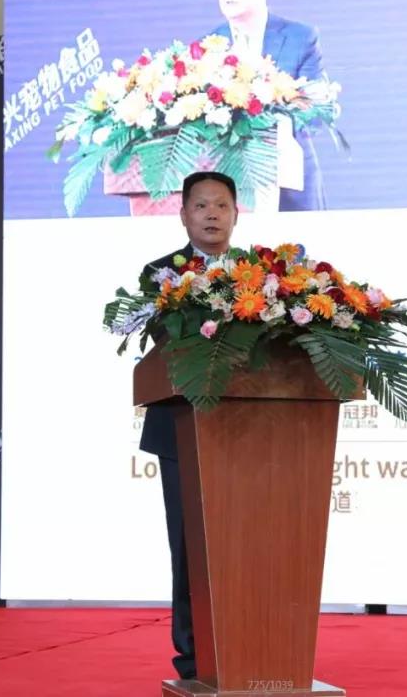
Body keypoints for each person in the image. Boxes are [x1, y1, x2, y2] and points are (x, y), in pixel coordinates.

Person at [139, 171, 239, 680]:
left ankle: (252, 649)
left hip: (250, 431)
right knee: (190, 547)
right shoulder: (160, 274)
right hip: (183, 430)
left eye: (221, 205)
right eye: (201, 205)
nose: (212, 214)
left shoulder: (267, 277)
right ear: (184, 215)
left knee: (250, 544)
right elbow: (163, 343)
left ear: (236, 214)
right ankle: (194, 660)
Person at [210, 0, 327, 211]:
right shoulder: (207, 46)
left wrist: (274, 101)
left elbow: (316, 114)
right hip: (228, 187)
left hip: (291, 188)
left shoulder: (300, 38)